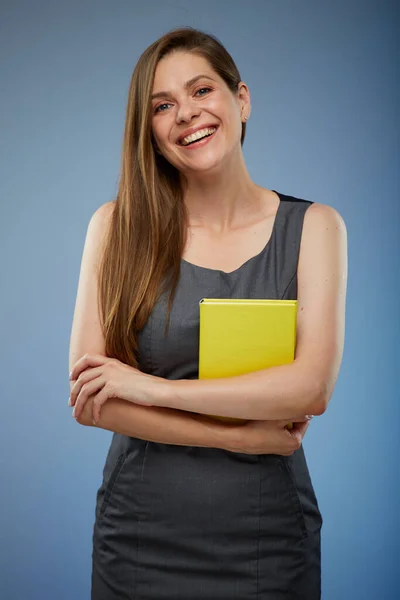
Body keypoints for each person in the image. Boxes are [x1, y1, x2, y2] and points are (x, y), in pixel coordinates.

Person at [68, 27, 347, 600]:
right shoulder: (115, 228)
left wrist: (151, 389)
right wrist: (240, 438)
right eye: (163, 105)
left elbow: (310, 389)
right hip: (140, 535)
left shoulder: (316, 227)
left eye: (201, 91)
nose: (185, 114)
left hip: (268, 536)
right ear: (147, 129)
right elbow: (94, 402)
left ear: (240, 99)